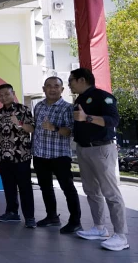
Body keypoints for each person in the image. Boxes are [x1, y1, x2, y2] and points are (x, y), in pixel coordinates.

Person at [69, 68, 129, 251]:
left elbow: (113, 120)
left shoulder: (103, 96)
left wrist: (87, 118)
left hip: (101, 148)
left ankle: (121, 236)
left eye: (71, 80)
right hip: (84, 149)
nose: (69, 83)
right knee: (91, 191)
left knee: (111, 193)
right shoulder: (79, 99)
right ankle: (99, 228)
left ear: (82, 80)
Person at [32, 76, 82, 234]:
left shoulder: (68, 107)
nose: (52, 89)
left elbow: (69, 131)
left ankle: (75, 221)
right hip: (40, 154)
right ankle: (52, 217)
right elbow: (36, 129)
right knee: (45, 187)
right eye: (49, 86)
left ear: (62, 89)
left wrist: (54, 128)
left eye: (56, 86)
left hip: (59, 155)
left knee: (67, 188)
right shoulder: (38, 106)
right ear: (43, 88)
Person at [0, 84, 36, 228]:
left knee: (25, 187)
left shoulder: (23, 109)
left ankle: (29, 217)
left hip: (21, 155)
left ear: (13, 93)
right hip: (4, 156)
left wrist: (20, 124)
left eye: (6, 94)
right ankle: (12, 213)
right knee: (8, 186)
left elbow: (32, 128)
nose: (3, 97)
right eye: (1, 95)